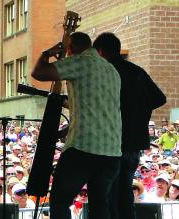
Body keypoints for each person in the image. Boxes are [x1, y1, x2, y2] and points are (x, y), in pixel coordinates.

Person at [31, 32, 122, 219]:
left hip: (83, 148)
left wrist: (47, 53)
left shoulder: (80, 62)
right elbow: (97, 106)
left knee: (60, 201)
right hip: (112, 152)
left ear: (70, 49)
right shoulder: (112, 71)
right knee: (99, 205)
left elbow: (38, 72)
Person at [93, 32, 166, 219]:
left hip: (112, 142)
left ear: (100, 51)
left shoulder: (105, 72)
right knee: (125, 191)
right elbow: (159, 98)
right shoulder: (136, 71)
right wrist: (138, 110)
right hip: (134, 142)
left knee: (109, 196)